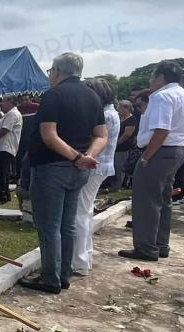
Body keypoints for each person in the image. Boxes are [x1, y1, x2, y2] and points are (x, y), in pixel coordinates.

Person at [19, 52, 107, 294]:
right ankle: (63, 273)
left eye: (50, 72)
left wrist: (78, 157)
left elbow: (49, 135)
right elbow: (102, 135)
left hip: (53, 167)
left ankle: (50, 278)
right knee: (67, 225)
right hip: (78, 169)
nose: (50, 76)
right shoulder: (93, 96)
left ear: (57, 71)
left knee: (49, 226)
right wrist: (87, 156)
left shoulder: (54, 95)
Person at [118, 61, 184, 262]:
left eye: (152, 77)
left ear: (160, 77)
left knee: (146, 200)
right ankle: (160, 244)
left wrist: (147, 156)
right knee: (164, 199)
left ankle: (146, 248)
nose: (150, 81)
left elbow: (162, 130)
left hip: (159, 151)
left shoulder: (161, 97)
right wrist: (180, 144)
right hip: (177, 151)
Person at [72, 78, 120, 276]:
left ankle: (80, 261)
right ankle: (85, 255)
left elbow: (93, 141)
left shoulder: (105, 115)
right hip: (101, 166)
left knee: (80, 213)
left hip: (94, 167)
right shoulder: (111, 112)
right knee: (86, 211)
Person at [0, 94, 23, 204]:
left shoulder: (13, 113)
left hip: (5, 147)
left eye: (3, 101)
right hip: (1, 147)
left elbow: (5, 130)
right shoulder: (9, 114)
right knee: (1, 173)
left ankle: (1, 197)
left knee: (0, 173)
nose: (1, 104)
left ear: (10, 101)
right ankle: (5, 195)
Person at [109, 100, 137, 191]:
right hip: (116, 148)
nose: (118, 109)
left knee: (120, 167)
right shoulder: (119, 118)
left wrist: (116, 143)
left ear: (127, 108)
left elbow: (127, 135)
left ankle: (119, 185)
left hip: (124, 147)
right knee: (115, 166)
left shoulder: (131, 119)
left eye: (120, 108)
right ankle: (113, 183)